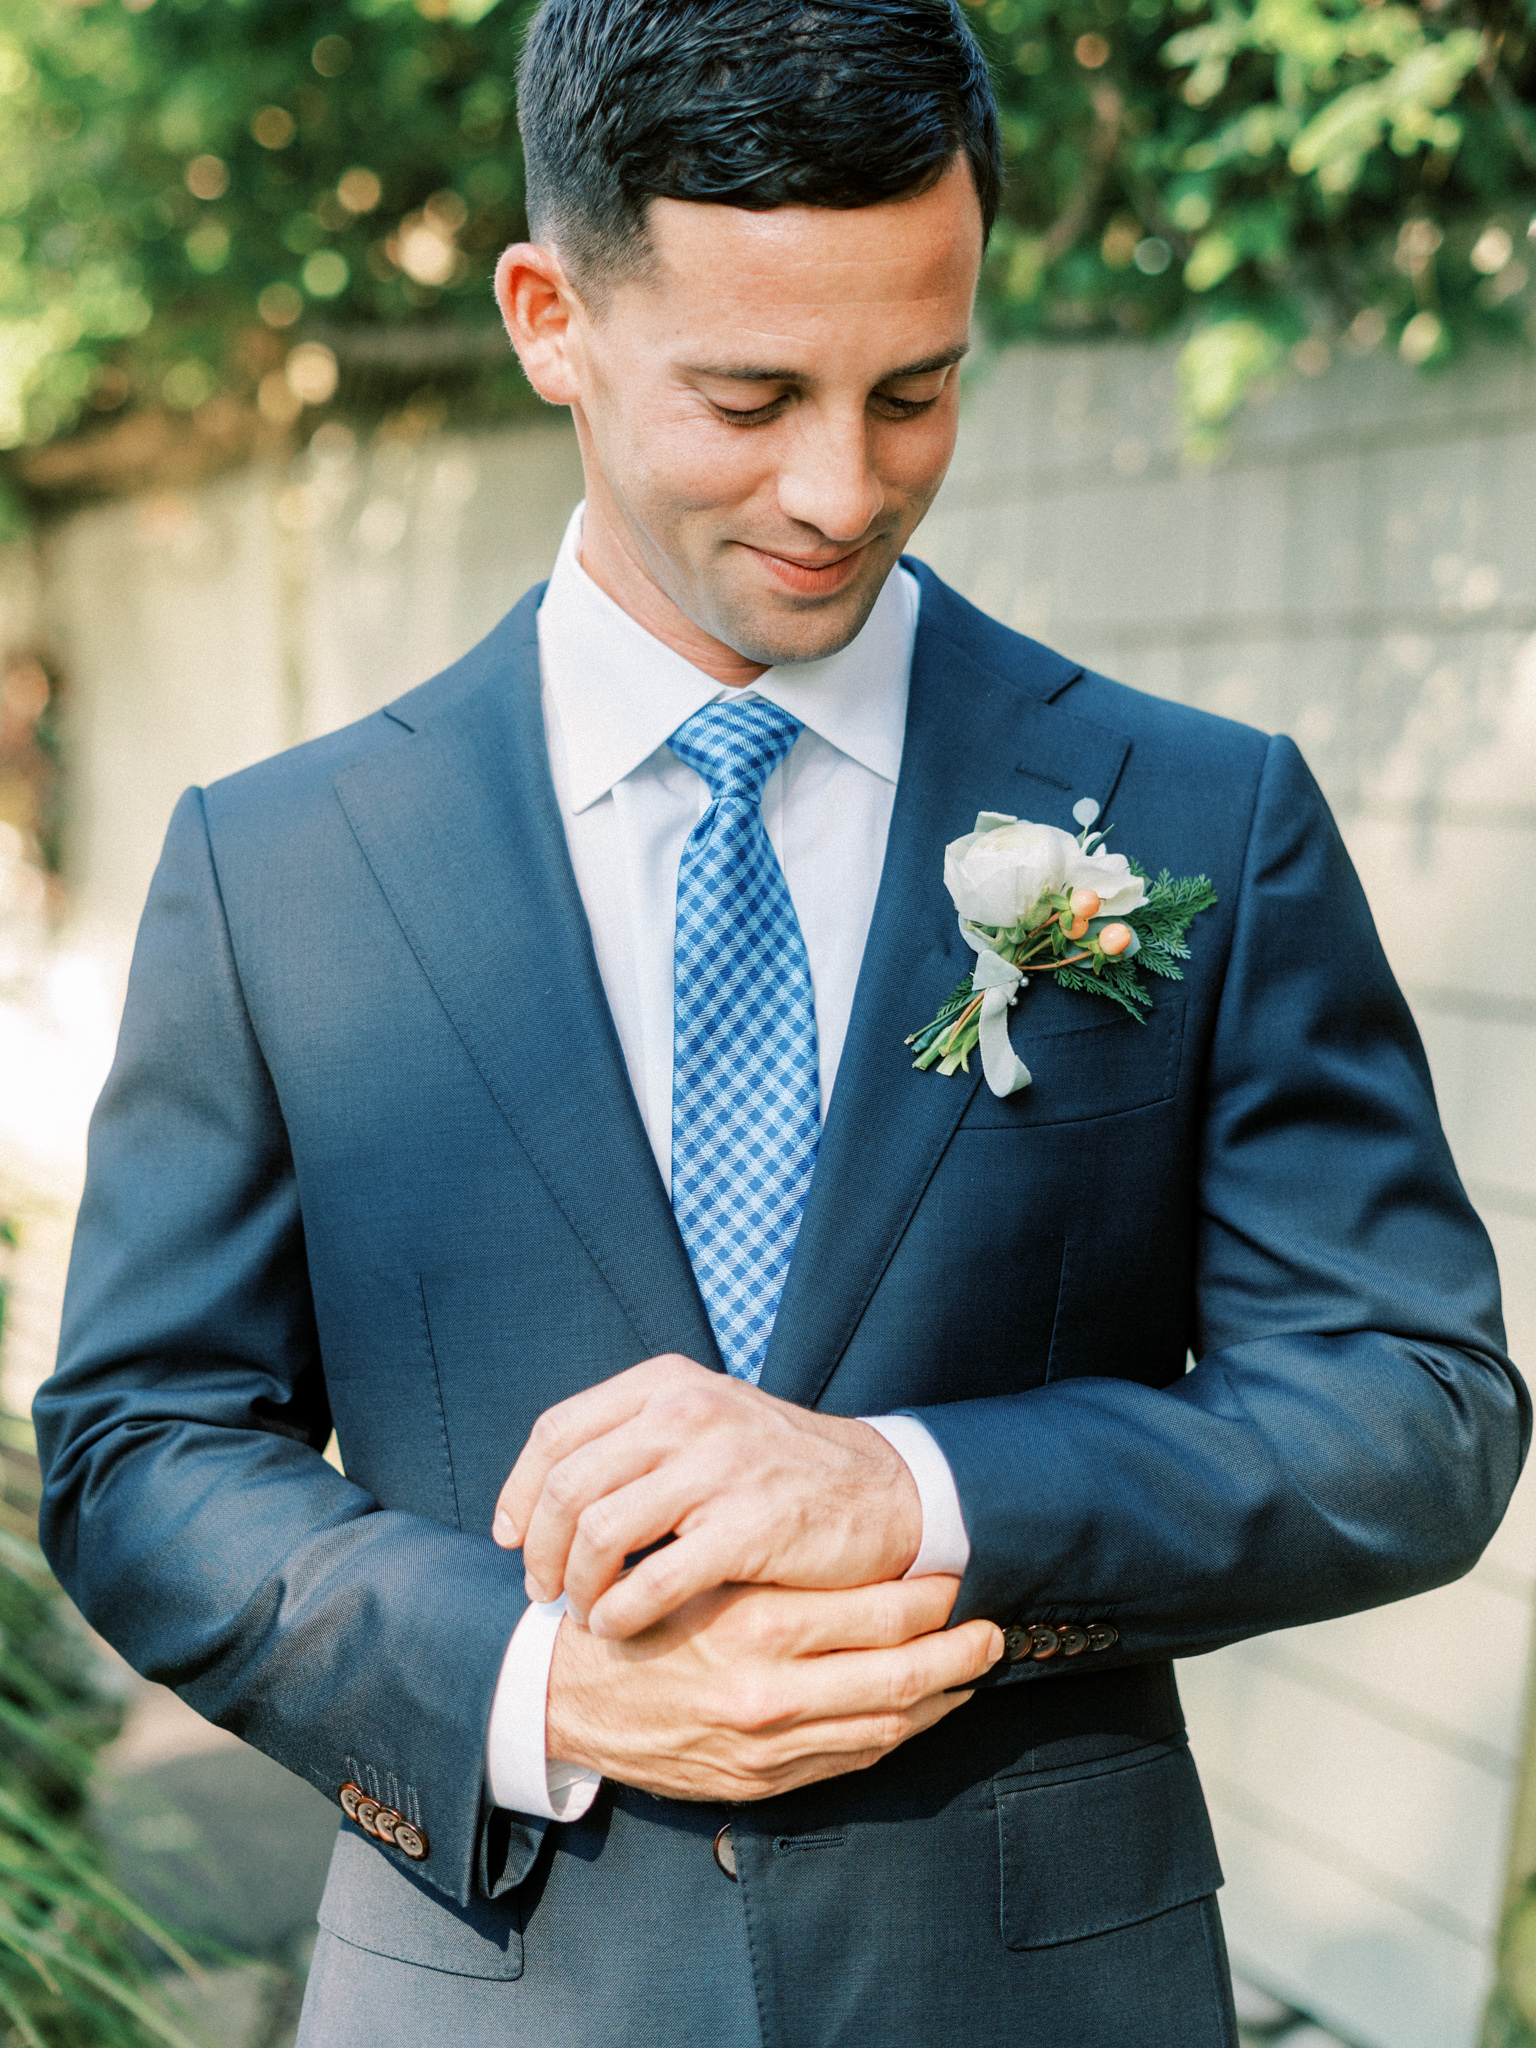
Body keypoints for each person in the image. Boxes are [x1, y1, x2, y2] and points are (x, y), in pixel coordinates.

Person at [34, 3, 1524, 2044]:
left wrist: (911, 1488)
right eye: (749, 398)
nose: (842, 488)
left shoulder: (1200, 813)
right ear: (550, 320)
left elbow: (1414, 1412)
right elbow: (141, 1451)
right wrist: (538, 1686)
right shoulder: (282, 863)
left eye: (917, 389)